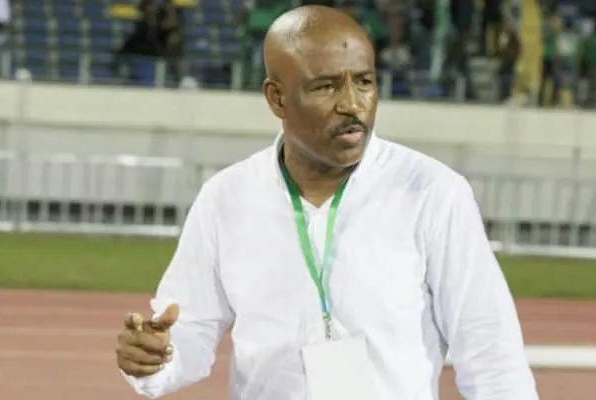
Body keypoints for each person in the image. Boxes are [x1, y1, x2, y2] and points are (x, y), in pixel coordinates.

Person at [115, 5, 538, 400]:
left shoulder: (432, 193)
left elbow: (490, 349)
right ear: (277, 98)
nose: (352, 104)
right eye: (326, 86)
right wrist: (154, 357)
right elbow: (187, 329)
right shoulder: (227, 198)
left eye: (364, 81)